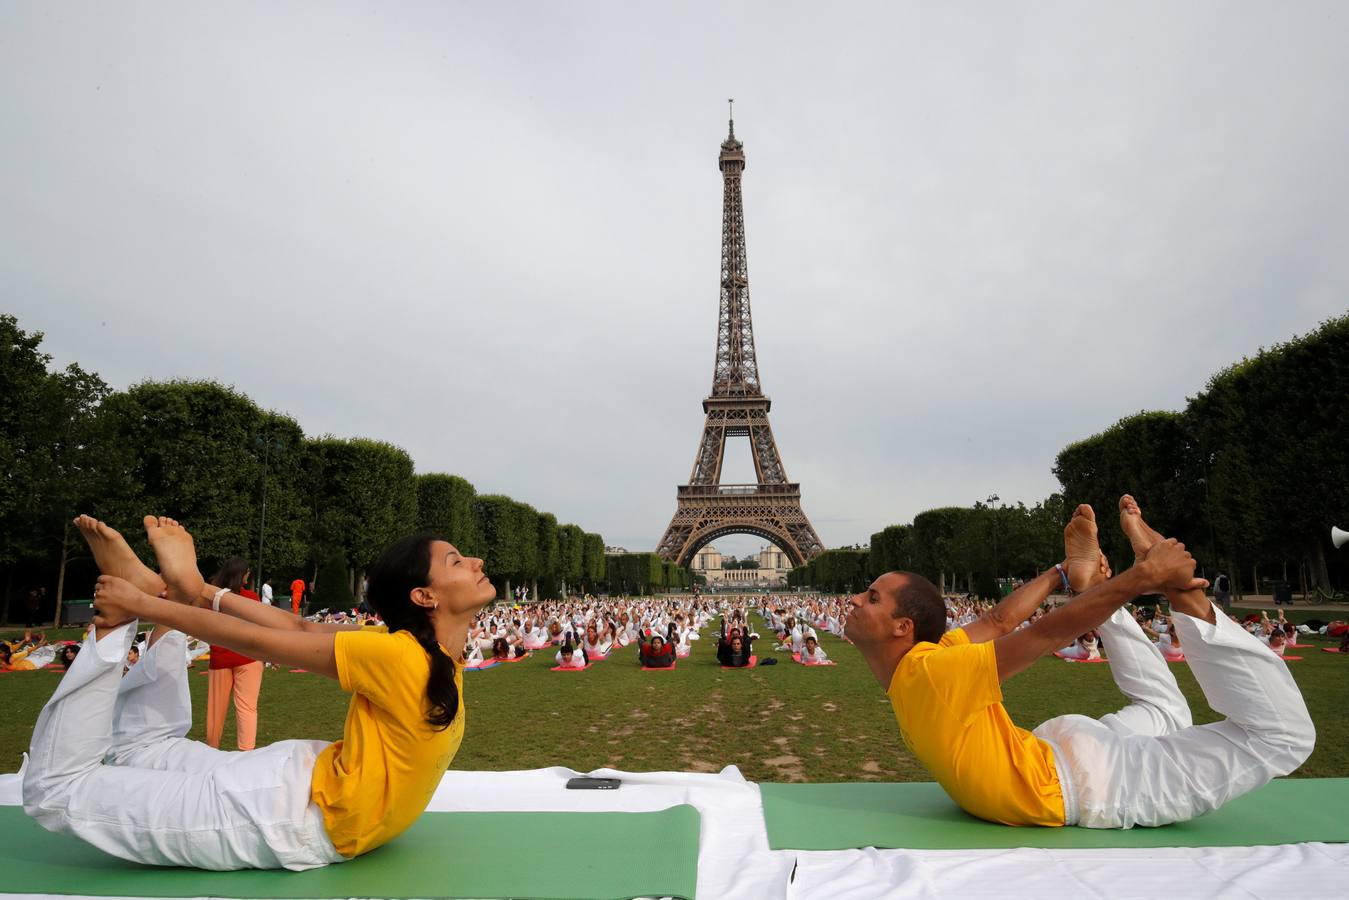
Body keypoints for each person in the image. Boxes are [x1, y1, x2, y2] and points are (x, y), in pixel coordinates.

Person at [24, 514, 493, 870]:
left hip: (298, 788)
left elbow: (297, 626)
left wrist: (191, 593)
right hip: (290, 811)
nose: (477, 562)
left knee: (146, 748)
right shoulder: (405, 655)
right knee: (57, 792)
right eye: (457, 561)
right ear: (424, 596)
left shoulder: (415, 652)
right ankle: (132, 617)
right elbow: (274, 636)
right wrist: (145, 605)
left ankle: (168, 596)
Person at [845, 495, 1314, 829]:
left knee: (1283, 738)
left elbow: (1043, 631)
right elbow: (1000, 619)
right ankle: (1102, 585)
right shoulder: (931, 659)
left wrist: (1140, 578)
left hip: (1078, 779)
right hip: (1062, 756)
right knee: (1171, 712)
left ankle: (1182, 593)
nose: (854, 601)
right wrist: (1060, 574)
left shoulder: (929, 672)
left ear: (902, 627)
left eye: (870, 597)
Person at [204, 559, 265, 751]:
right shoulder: (250, 597)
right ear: (241, 574)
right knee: (247, 708)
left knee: (216, 710)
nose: (248, 576)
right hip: (247, 657)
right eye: (247, 573)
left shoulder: (212, 598)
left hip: (221, 658)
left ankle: (211, 750)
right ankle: (246, 753)